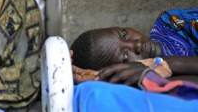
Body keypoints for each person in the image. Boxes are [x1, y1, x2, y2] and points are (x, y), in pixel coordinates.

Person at [70, 7, 198, 111]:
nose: (136, 45)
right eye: (125, 57)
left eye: (124, 34)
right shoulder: (153, 90)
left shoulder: (170, 23)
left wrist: (167, 65)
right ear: (120, 73)